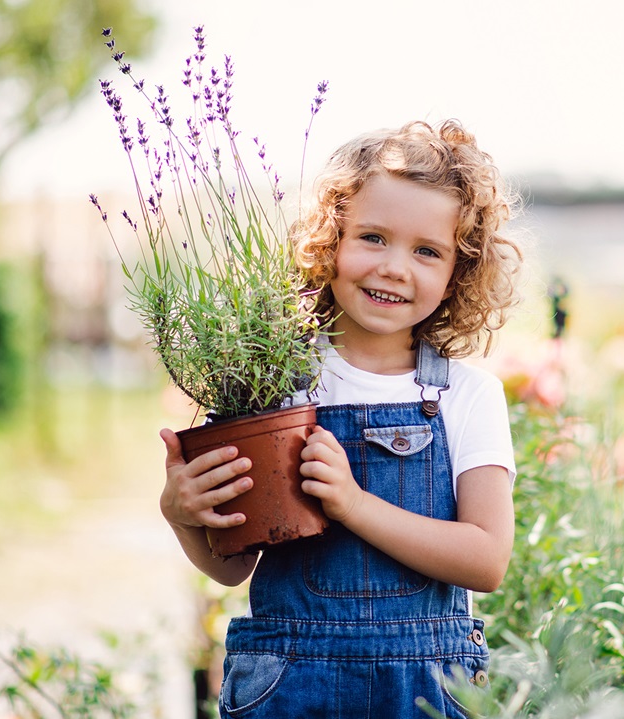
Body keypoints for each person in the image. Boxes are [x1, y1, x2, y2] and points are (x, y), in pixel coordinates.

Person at [157, 119, 522, 718]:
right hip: (290, 680)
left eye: (427, 251)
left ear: (460, 271)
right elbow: (234, 566)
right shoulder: (271, 381)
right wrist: (182, 516)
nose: (394, 267)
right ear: (331, 241)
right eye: (373, 237)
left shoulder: (467, 394)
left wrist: (354, 504)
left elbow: (485, 559)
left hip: (425, 689)